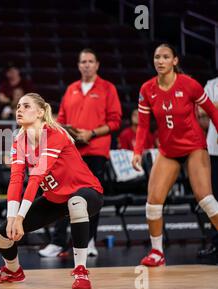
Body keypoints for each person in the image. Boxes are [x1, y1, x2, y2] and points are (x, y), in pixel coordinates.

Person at [0, 93, 103, 289]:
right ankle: (13, 271)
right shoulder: (19, 140)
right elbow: (15, 180)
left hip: (86, 192)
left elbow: (36, 177)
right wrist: (13, 218)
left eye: (26, 106)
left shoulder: (55, 134)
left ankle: (81, 271)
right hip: (55, 199)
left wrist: (21, 217)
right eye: (18, 106)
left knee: (76, 203)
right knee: (1, 234)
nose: (19, 109)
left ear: (40, 112)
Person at [132, 43, 218, 266]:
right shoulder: (146, 89)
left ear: (175, 61)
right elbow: (142, 126)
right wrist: (137, 152)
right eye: (157, 57)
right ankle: (157, 253)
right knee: (152, 202)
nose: (160, 61)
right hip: (168, 150)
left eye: (165, 57)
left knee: (206, 199)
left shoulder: (189, 85)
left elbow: (213, 112)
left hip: (194, 147)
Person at [39, 48, 122, 258]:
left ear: (97, 65)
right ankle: (57, 242)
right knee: (61, 194)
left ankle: (89, 240)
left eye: (90, 61)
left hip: (96, 150)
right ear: (78, 65)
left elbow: (115, 121)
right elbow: (62, 120)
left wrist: (91, 133)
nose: (86, 64)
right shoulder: (71, 89)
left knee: (90, 197)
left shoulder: (107, 88)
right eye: (83, 61)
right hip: (71, 151)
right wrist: (71, 132)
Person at [198, 76, 218, 259]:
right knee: (214, 197)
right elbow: (203, 110)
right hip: (214, 149)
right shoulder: (211, 84)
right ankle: (215, 242)